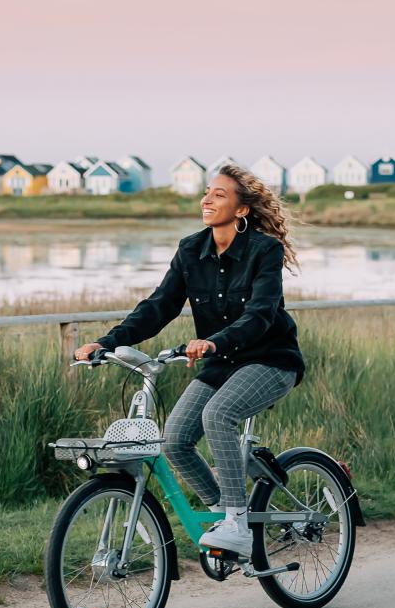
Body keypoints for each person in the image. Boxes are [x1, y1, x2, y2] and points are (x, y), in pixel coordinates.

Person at [75, 163, 304, 556]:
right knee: (176, 442)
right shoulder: (189, 250)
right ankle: (227, 513)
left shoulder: (264, 250)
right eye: (206, 192)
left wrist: (213, 342)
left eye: (219, 194)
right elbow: (158, 307)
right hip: (222, 362)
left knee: (218, 415)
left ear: (241, 209)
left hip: (270, 359)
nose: (207, 199)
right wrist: (106, 342)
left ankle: (237, 525)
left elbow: (261, 313)